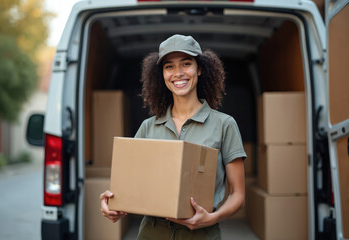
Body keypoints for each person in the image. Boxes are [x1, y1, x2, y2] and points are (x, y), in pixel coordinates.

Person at [100, 34, 246, 239]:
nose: (178, 73)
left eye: (186, 64)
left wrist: (212, 218)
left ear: (200, 68)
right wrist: (112, 204)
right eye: (169, 66)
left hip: (202, 234)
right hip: (152, 232)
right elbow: (129, 185)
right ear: (161, 74)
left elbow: (238, 195)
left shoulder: (224, 125)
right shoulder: (148, 127)